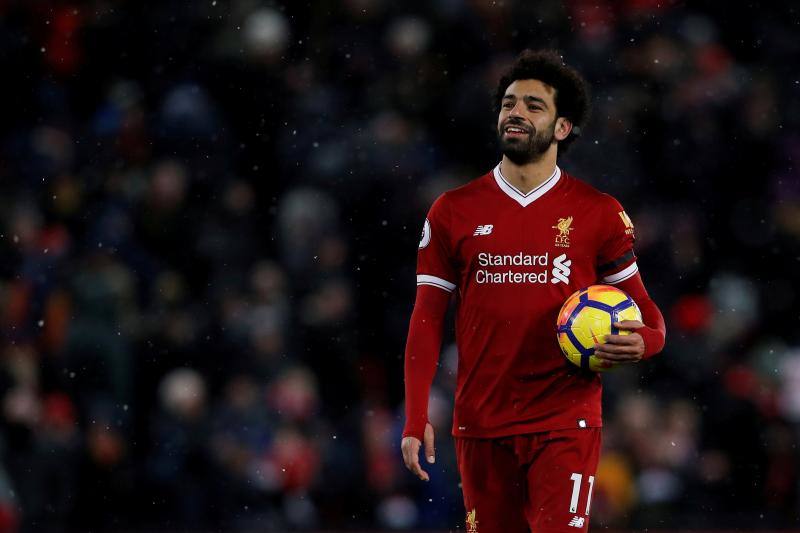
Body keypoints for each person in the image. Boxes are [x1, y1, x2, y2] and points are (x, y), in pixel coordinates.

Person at [400, 49, 666, 533]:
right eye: (508, 103)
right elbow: (425, 318)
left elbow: (650, 316)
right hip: (481, 423)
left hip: (565, 421)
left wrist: (645, 341)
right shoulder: (452, 211)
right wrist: (416, 415)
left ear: (562, 128)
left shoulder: (598, 213)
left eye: (533, 105)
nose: (515, 112)